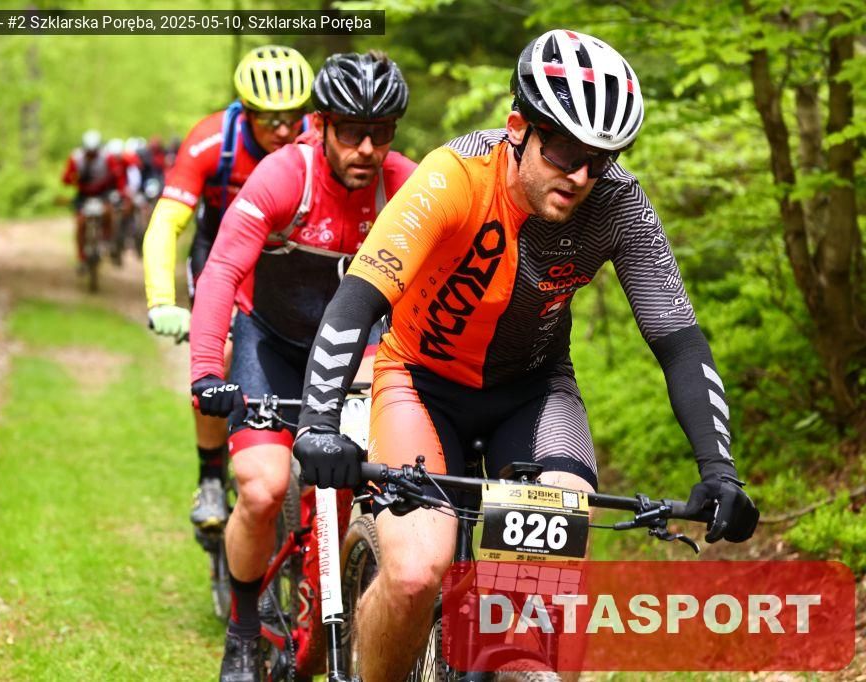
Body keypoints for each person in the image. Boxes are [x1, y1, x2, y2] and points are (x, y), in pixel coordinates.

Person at [291, 29, 760, 681]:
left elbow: (678, 340)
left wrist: (720, 469)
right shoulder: (455, 176)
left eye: (600, 158)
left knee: (546, 572)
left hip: (534, 393)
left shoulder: (618, 204)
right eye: (564, 150)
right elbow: (356, 302)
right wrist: (317, 424)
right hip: (421, 385)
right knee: (416, 573)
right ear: (518, 128)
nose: (581, 175)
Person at [189, 51, 415, 682]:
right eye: (352, 131)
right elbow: (221, 271)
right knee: (262, 490)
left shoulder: (405, 184)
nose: (367, 148)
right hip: (274, 344)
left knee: (379, 484)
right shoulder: (285, 175)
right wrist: (207, 370)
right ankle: (242, 631)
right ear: (320, 125)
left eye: (382, 132)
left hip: (359, 352)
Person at [143, 45, 315, 538]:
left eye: (293, 116)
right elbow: (166, 223)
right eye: (269, 119)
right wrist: (162, 301)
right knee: (219, 352)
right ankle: (210, 478)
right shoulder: (212, 141)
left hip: (287, 259)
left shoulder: (318, 141)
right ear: (245, 110)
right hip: (221, 253)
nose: (283, 129)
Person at [61, 130, 127, 272]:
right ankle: (81, 257)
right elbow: (66, 177)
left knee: (109, 213)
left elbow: (117, 174)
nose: (91, 155)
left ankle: (107, 241)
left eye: (94, 152)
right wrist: (72, 180)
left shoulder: (107, 157)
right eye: (89, 152)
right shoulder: (76, 158)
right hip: (83, 195)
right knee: (80, 223)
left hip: (102, 194)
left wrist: (120, 191)